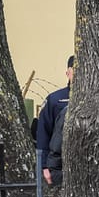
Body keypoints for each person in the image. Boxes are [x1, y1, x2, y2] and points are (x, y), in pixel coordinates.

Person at [35, 55, 74, 185]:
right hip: (59, 165)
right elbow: (43, 133)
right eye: (74, 69)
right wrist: (44, 166)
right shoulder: (55, 99)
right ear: (67, 73)